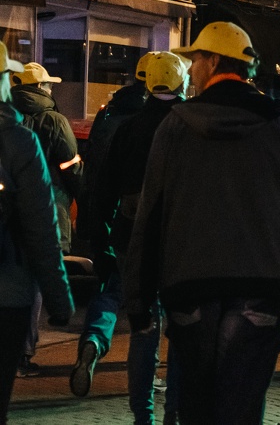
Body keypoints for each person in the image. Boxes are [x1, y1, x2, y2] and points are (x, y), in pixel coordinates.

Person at [124, 22, 280, 425]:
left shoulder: (176, 126)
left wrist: (139, 299)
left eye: (196, 60)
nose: (191, 70)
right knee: (241, 408)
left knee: (197, 408)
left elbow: (150, 217)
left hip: (191, 289)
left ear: (214, 61)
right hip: (262, 290)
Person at [70, 53, 188, 424]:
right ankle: (175, 411)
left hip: (131, 233)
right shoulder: (190, 125)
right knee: (183, 329)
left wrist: (101, 235)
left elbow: (104, 186)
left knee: (143, 326)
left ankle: (143, 416)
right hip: (180, 238)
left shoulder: (127, 126)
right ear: (182, 83)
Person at [0, 42, 74, 422]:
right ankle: (26, 356)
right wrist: (61, 299)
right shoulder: (20, 139)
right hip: (8, 284)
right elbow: (40, 227)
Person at [11, 62, 82, 376]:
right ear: (39, 88)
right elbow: (72, 167)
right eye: (48, 85)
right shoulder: (53, 120)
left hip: (7, 214)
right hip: (45, 209)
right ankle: (22, 355)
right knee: (36, 285)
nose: (52, 90)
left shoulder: (8, 118)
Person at [76, 52, 156, 243]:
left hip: (104, 212)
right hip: (136, 214)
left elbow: (92, 161)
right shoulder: (156, 119)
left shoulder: (109, 111)